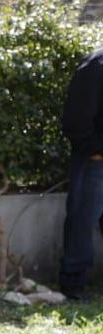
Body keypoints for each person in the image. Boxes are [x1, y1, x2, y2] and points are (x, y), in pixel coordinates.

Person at [59, 47, 103, 301]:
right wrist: (94, 150)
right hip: (94, 160)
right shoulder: (96, 64)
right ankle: (73, 285)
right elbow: (76, 117)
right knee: (82, 223)